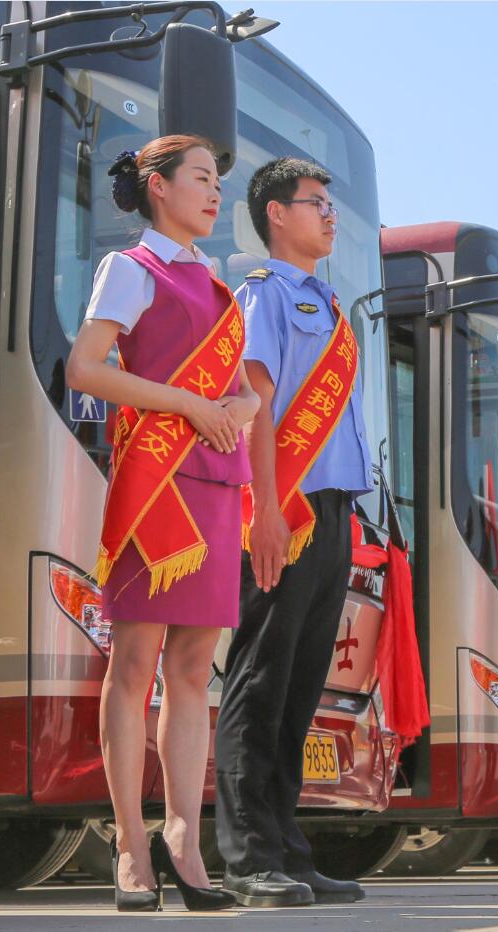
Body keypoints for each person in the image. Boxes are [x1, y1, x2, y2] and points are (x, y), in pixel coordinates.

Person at [67, 136, 258, 912]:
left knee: (192, 671)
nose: (215, 194)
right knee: (135, 664)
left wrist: (243, 405)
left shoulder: (217, 284)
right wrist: (186, 403)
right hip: (156, 485)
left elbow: (242, 390)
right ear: (158, 187)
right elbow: (84, 368)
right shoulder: (130, 269)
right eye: (201, 178)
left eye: (218, 182)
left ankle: (184, 837)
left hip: (215, 482)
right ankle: (128, 841)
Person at [214, 157, 373, 907]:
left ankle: (288, 849)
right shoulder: (265, 295)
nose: (330, 216)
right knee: (260, 679)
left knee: (302, 686)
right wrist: (266, 510)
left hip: (334, 509)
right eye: (316, 203)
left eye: (331, 205)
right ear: (277, 214)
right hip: (288, 508)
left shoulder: (331, 305)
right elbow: (257, 405)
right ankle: (247, 857)